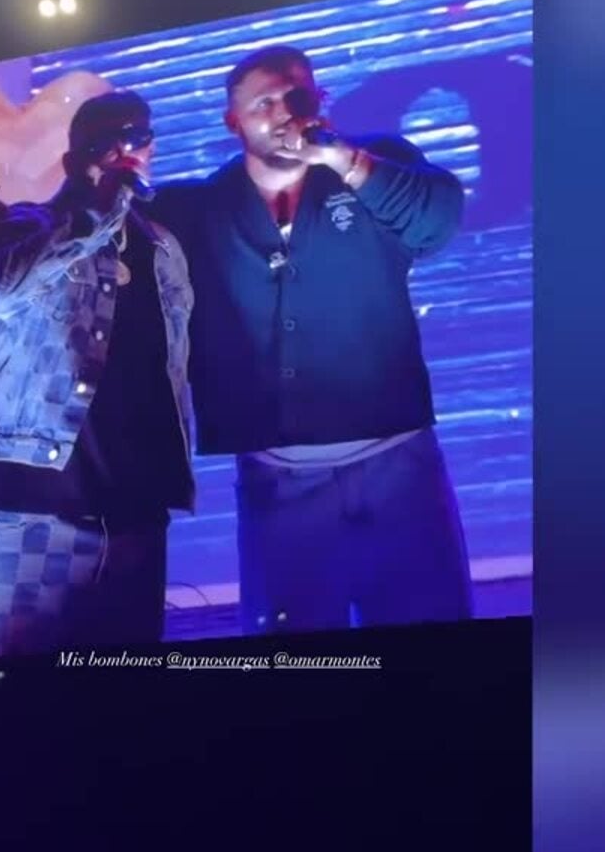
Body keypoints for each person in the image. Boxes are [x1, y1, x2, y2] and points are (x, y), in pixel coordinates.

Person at [149, 45, 474, 634]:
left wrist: (343, 158)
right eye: (264, 103)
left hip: (399, 465)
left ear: (320, 98)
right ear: (233, 121)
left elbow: (438, 222)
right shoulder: (197, 210)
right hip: (279, 483)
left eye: (297, 96)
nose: (283, 113)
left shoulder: (374, 167)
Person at [0, 90, 196, 660]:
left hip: (134, 522)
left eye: (140, 137)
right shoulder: (27, 225)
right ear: (78, 158)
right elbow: (4, 286)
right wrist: (99, 211)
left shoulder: (162, 248)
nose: (130, 150)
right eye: (113, 141)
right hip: (28, 514)